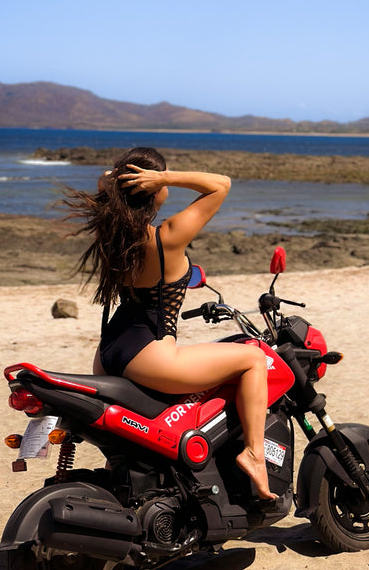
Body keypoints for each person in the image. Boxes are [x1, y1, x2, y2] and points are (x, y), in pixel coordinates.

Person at [61, 146, 276, 500]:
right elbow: (221, 184)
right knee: (253, 359)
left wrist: (124, 181)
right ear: (151, 187)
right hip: (150, 354)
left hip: (109, 352)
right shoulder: (166, 237)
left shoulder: (112, 230)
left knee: (128, 450)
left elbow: (103, 180)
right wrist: (164, 177)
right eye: (163, 180)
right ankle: (254, 454)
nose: (168, 186)